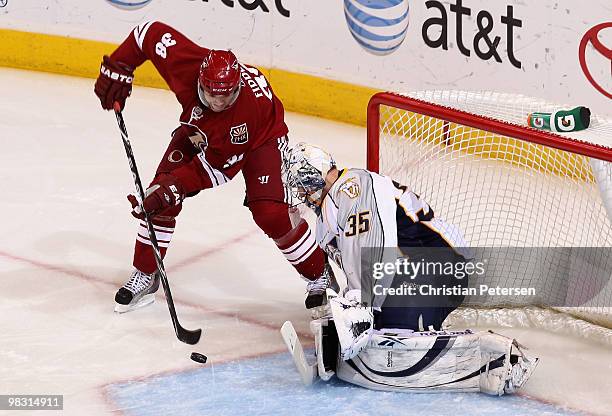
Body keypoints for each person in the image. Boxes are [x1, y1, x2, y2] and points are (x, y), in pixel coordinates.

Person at [93, 21, 337, 313]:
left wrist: (172, 189)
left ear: (236, 89)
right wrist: (122, 63)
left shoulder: (242, 117)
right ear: (201, 81)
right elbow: (149, 33)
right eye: (211, 94)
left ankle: (319, 273)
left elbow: (214, 170)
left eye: (226, 95)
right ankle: (146, 272)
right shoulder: (186, 64)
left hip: (262, 137)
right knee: (160, 191)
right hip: (203, 128)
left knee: (270, 214)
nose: (218, 101)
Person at [281, 142, 538, 395]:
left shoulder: (352, 187)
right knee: (373, 333)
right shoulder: (327, 217)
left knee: (390, 335)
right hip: (402, 275)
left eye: (301, 187)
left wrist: (360, 303)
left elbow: (370, 246)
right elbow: (349, 266)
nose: (302, 195)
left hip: (439, 266)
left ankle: (492, 357)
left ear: (314, 177)